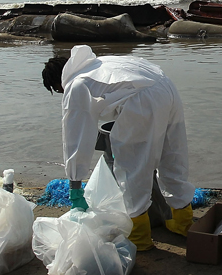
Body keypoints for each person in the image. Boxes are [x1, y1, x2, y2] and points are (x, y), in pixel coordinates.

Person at [41, 45, 194, 252]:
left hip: (143, 101)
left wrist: (75, 186)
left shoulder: (76, 84)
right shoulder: (99, 65)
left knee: (133, 168)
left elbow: (74, 138)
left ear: (59, 83)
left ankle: (140, 237)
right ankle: (184, 223)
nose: (61, 93)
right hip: (166, 87)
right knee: (172, 155)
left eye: (58, 91)